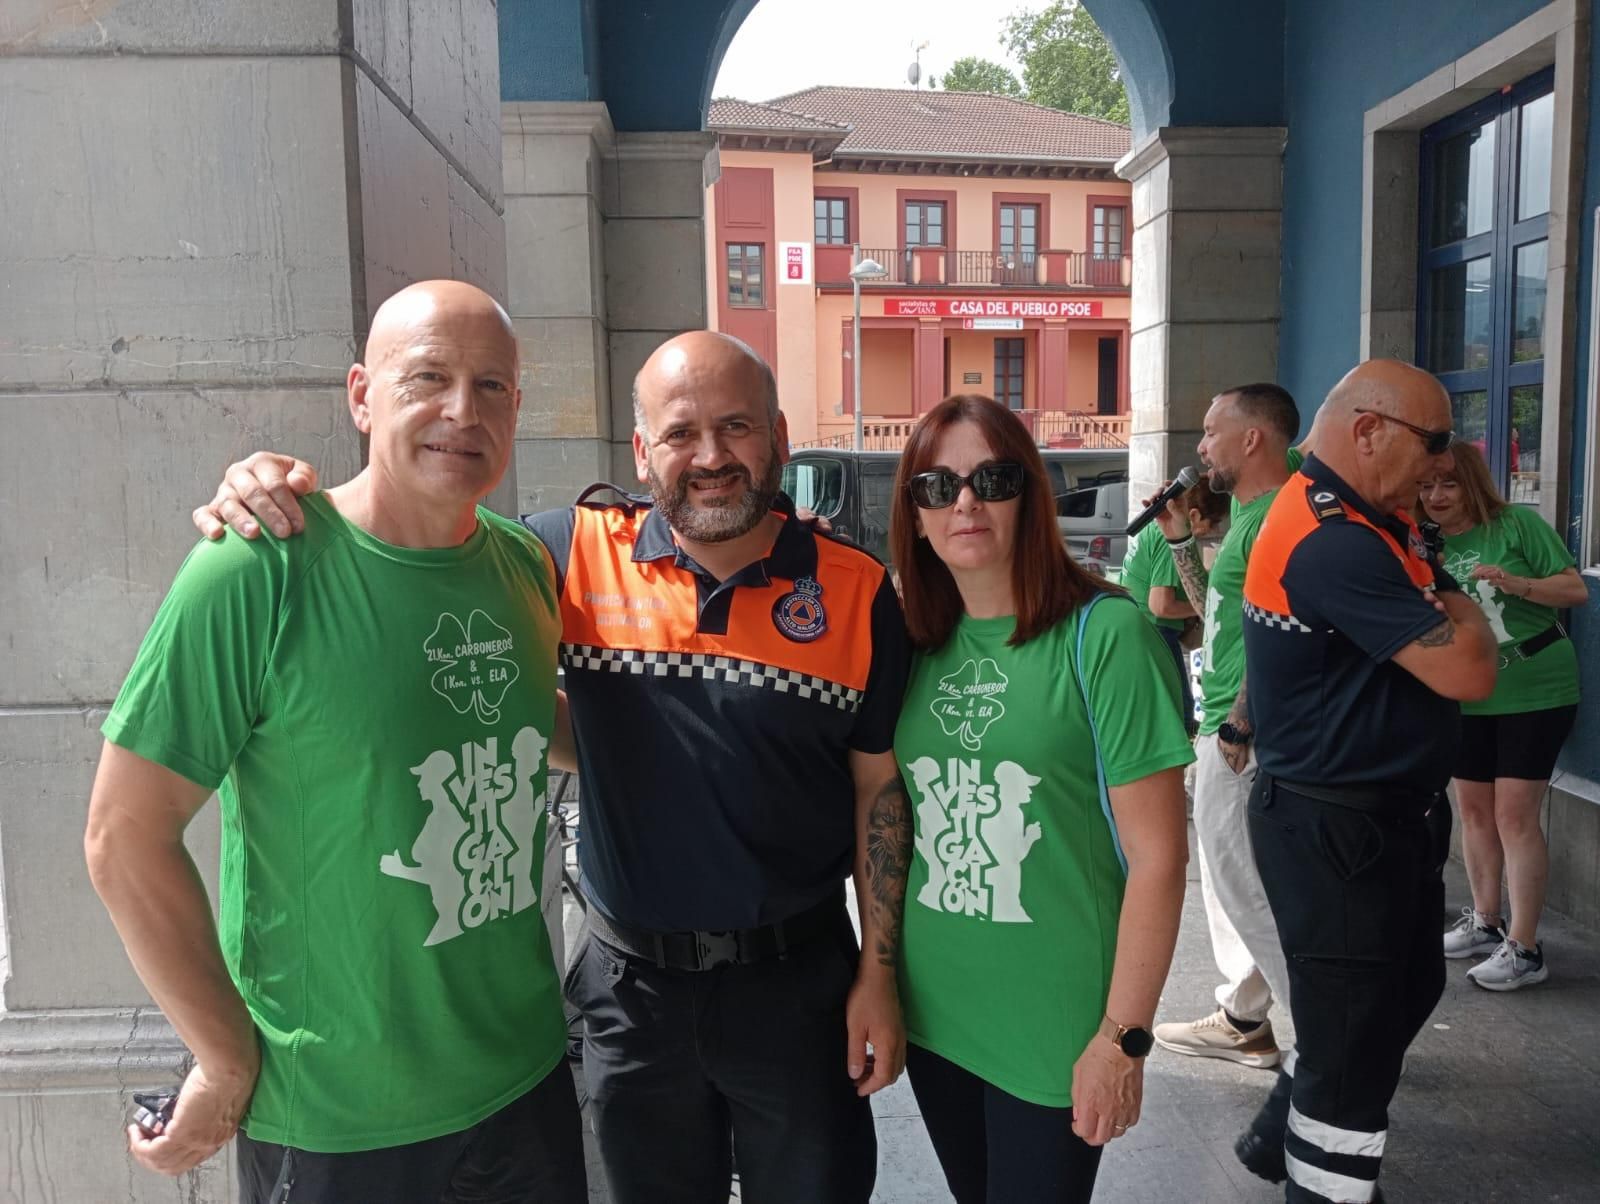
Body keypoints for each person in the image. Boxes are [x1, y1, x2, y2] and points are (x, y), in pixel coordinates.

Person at [192, 330, 912, 1204]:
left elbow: (879, 788)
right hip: (629, 993)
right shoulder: (561, 553)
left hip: (798, 986)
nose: (712, 456)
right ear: (643, 451)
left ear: (781, 438)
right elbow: (427, 542)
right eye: (681, 433)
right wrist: (277, 492)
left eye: (738, 428)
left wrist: (879, 973)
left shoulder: (858, 591)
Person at [86, 281, 586, 1202]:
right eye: (426, 378)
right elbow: (123, 837)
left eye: (490, 386)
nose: (460, 411)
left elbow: (528, 723)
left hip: (523, 1085)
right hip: (337, 1120)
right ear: (361, 395)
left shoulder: (520, 565)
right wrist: (224, 1058)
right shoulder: (256, 566)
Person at [890, 395, 1192, 1203]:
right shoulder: (910, 641)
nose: (965, 502)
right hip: (935, 1011)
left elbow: (1160, 858)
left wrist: (1123, 1038)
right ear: (913, 514)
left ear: (1031, 495)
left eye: (992, 478)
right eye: (936, 485)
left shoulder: (1107, 635)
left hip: (1057, 1021)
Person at [1243, 359, 1498, 1203]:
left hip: (1377, 823)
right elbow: (1470, 667)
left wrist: (1449, 606)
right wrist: (1459, 615)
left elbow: (1445, 607)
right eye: (1434, 443)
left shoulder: (1369, 521)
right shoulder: (1337, 539)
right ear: (1368, 430)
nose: (1443, 465)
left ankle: (1276, 1131)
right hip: (1336, 832)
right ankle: (1325, 1185)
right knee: (1350, 1057)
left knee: (1407, 988)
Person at [1148, 385, 1301, 1181]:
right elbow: (1221, 611)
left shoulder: (1288, 510)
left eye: (1211, 432)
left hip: (1242, 735)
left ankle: (1309, 1042)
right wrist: (1178, 539)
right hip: (1228, 718)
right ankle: (1247, 1012)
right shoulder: (1247, 516)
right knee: (1237, 881)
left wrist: (1243, 718)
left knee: (1246, 887)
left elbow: (1289, 632)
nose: (1199, 447)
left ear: (1252, 439)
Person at [1416, 441, 1586, 989]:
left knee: (1514, 816)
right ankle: (1487, 922)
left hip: (1536, 684)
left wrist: (1520, 585)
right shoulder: (1422, 542)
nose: (1436, 496)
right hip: (1468, 690)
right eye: (1426, 485)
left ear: (1472, 484)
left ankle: (1526, 947)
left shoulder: (1515, 525)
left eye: (1448, 484)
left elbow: (1575, 589)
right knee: (1473, 811)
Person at [1123, 476, 1229, 730]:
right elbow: (1161, 605)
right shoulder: (1167, 535)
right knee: (1180, 719)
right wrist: (1204, 602)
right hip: (1153, 632)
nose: (1213, 530)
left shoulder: (1156, 527)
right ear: (1193, 515)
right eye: (1212, 522)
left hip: (1138, 630)